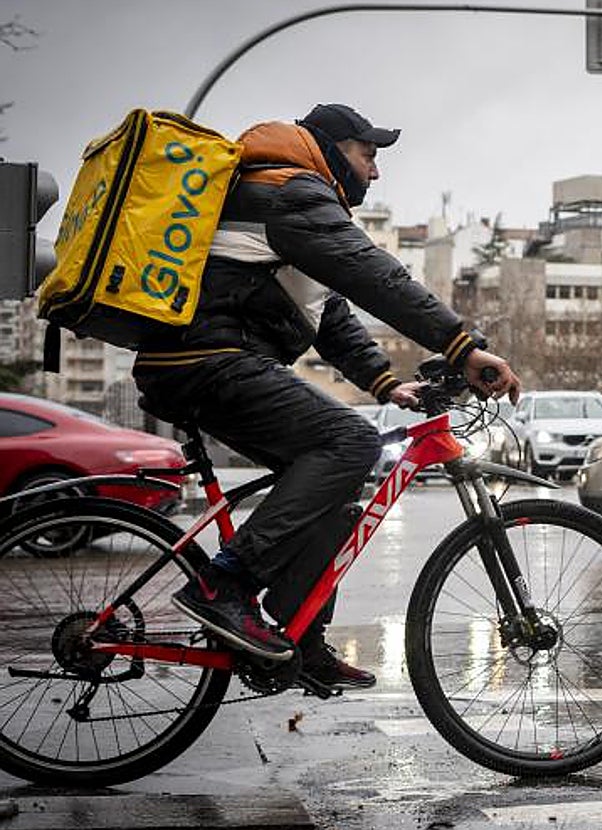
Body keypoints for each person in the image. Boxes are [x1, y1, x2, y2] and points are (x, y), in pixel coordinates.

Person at [133, 104, 519, 690]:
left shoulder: (287, 198)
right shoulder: (289, 190)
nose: (376, 171)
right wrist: (463, 345)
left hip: (208, 361)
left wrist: (386, 382)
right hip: (208, 360)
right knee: (351, 440)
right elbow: (376, 277)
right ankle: (225, 585)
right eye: (370, 155)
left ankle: (298, 640)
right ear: (335, 149)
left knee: (334, 490)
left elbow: (329, 310)